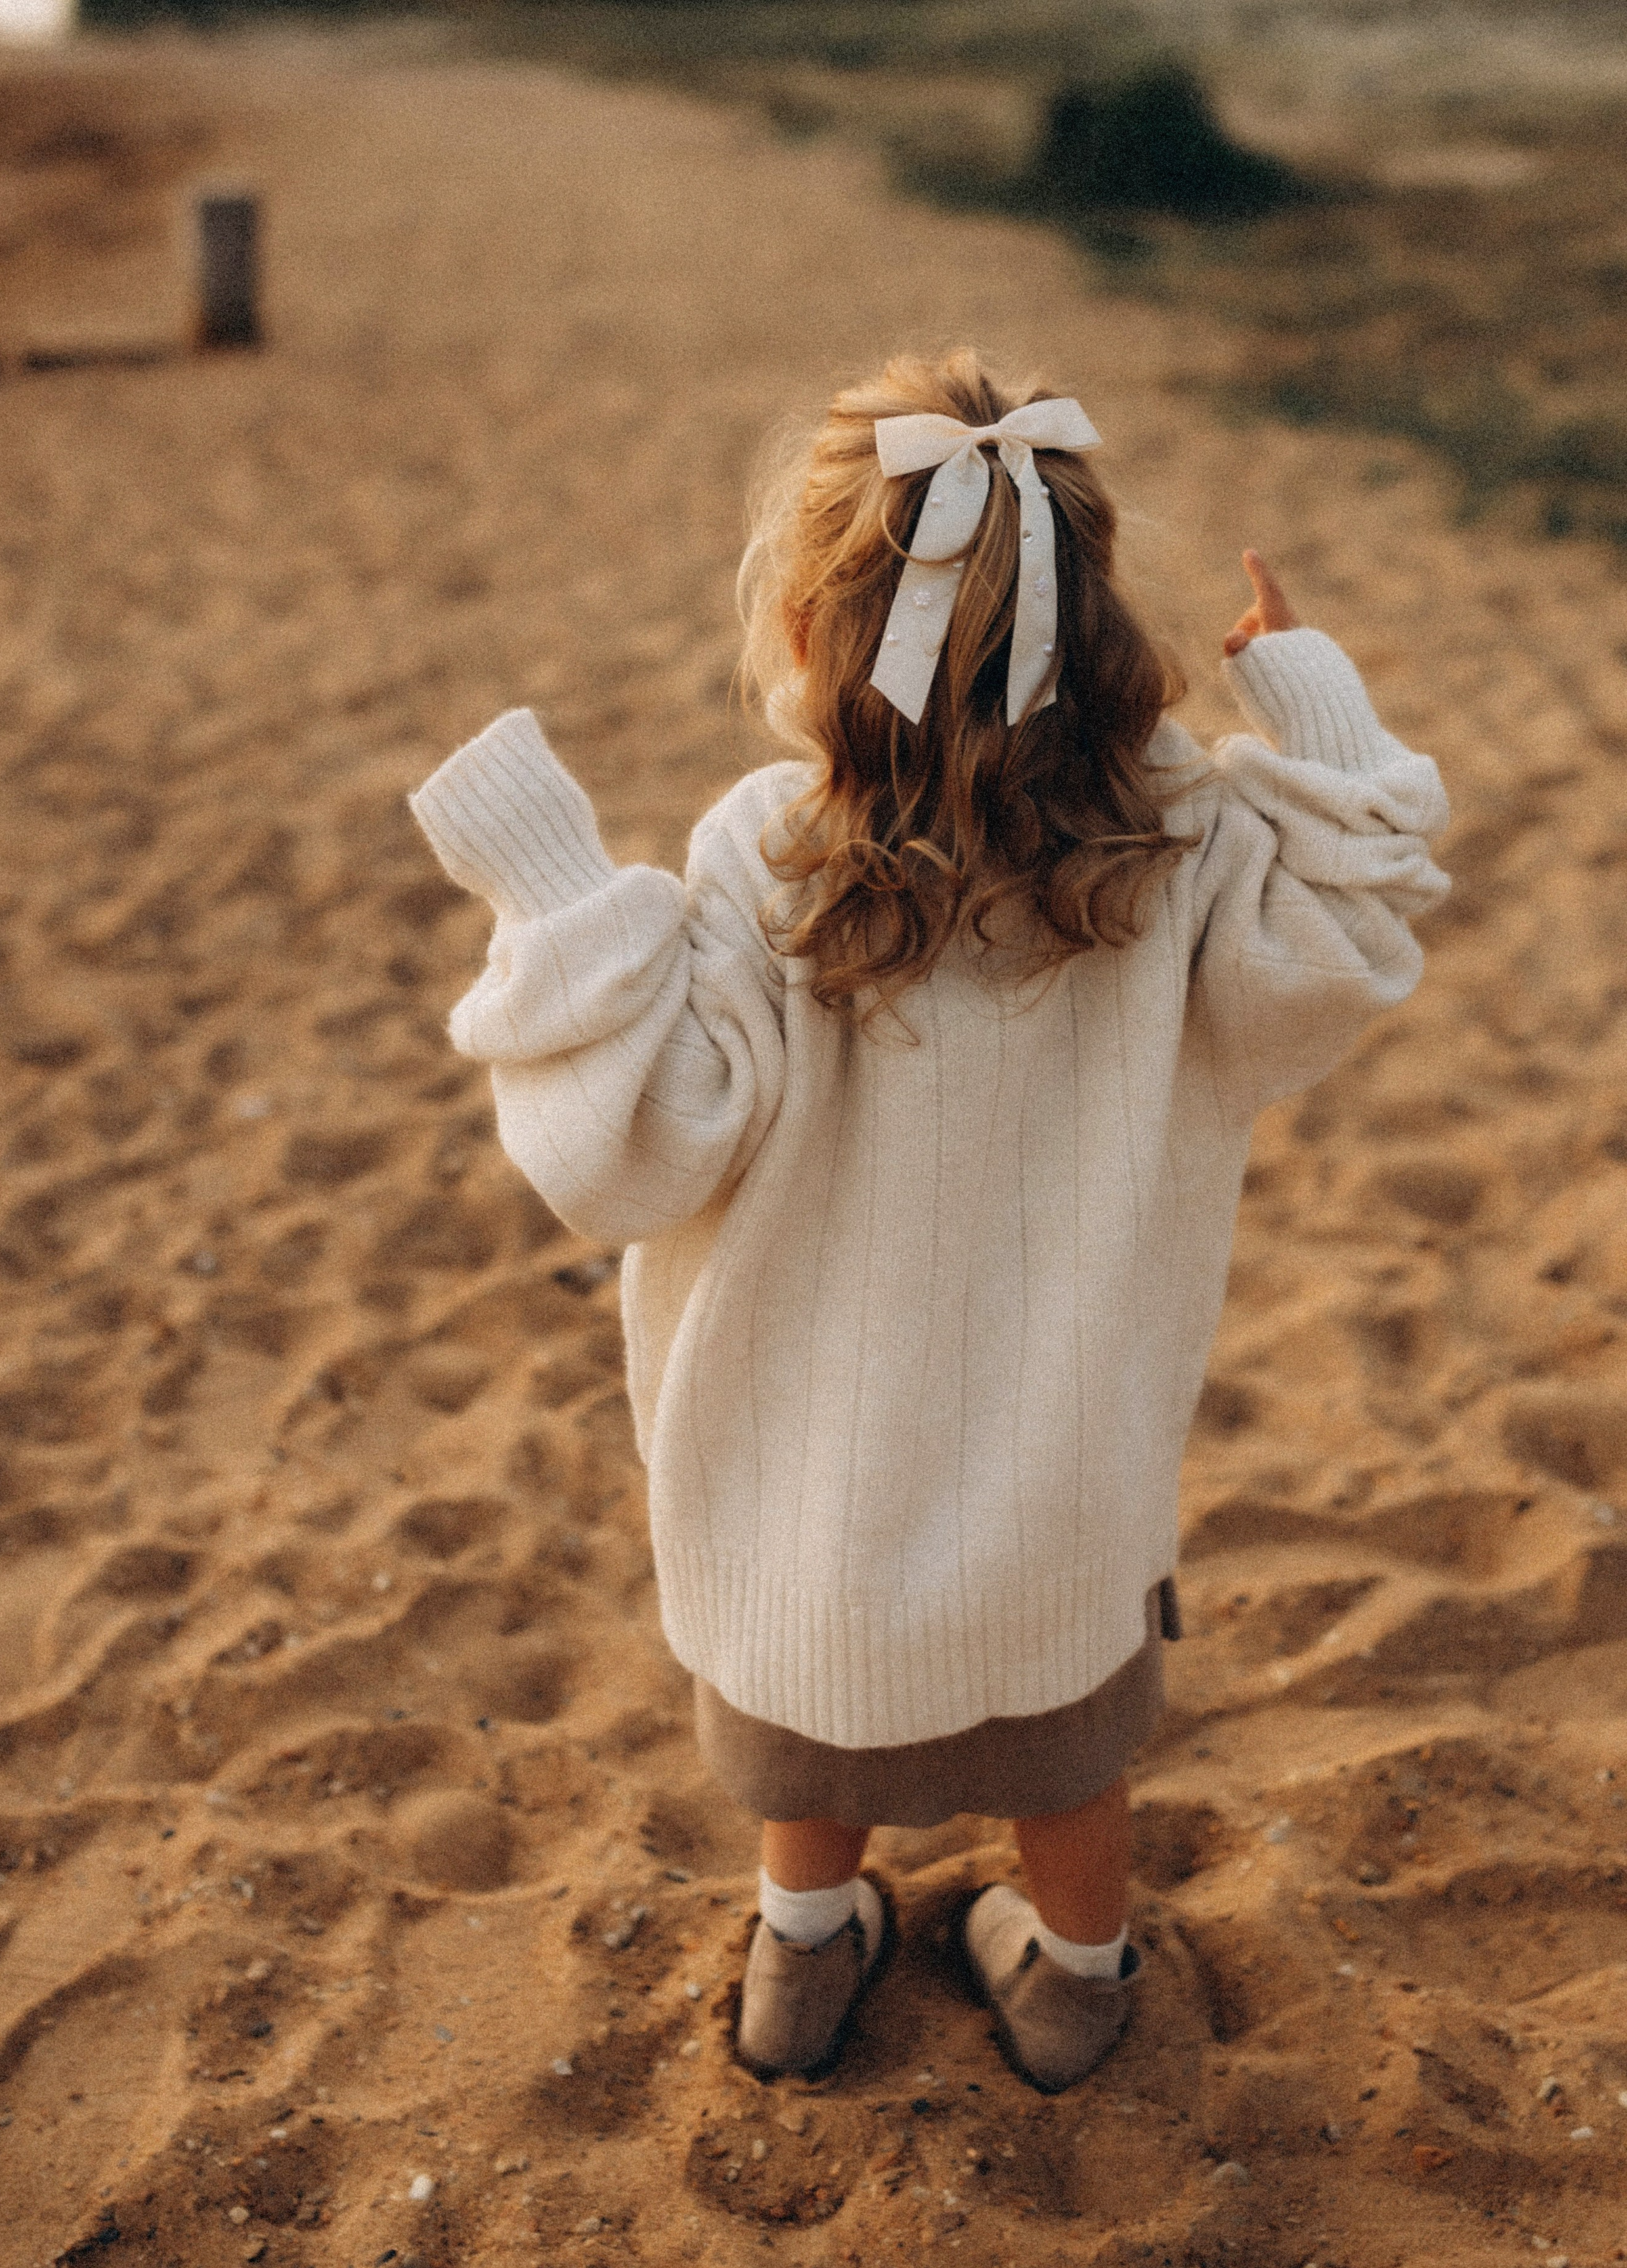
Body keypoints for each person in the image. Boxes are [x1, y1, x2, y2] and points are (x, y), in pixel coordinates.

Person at [409, 348, 1448, 2092]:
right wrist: (1316, 705)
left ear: (805, 629)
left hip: (814, 1500)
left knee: (808, 1751)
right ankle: (1076, 1984)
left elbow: (637, 1150)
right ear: (1097, 624)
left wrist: (558, 894)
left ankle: (803, 1962)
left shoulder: (771, 856)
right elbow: (1352, 928)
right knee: (1070, 1763)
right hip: (1061, 1494)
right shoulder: (1177, 845)